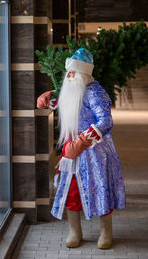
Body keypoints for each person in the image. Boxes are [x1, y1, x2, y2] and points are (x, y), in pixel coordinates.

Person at [37, 48, 126, 249]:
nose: (68, 75)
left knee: (101, 189)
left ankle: (106, 233)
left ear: (84, 73)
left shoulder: (96, 92)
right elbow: (64, 100)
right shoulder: (72, 87)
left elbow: (105, 121)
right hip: (71, 151)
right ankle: (74, 231)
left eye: (72, 72)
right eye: (68, 71)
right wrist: (48, 97)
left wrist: (82, 142)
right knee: (71, 190)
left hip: (94, 151)